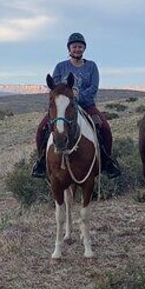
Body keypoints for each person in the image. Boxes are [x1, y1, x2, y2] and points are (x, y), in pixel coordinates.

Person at [31, 32, 122, 179]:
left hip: (86, 105)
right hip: (63, 107)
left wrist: (77, 98)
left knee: (104, 128)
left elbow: (93, 87)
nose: (77, 49)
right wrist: (67, 98)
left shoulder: (91, 66)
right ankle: (41, 161)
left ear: (84, 49)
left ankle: (107, 162)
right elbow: (55, 87)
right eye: (74, 47)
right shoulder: (60, 67)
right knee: (42, 129)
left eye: (80, 47)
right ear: (69, 49)